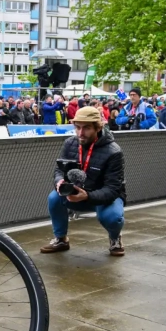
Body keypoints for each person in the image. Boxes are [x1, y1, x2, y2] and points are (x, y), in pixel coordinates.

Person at [41, 107, 126, 256]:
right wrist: (60, 182)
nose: (80, 133)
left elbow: (113, 189)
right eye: (77, 127)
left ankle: (115, 238)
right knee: (54, 197)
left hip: (105, 197)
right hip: (78, 193)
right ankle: (61, 239)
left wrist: (87, 196)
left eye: (86, 128)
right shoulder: (70, 143)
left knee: (113, 217)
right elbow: (59, 169)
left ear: (98, 127)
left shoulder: (114, 151)